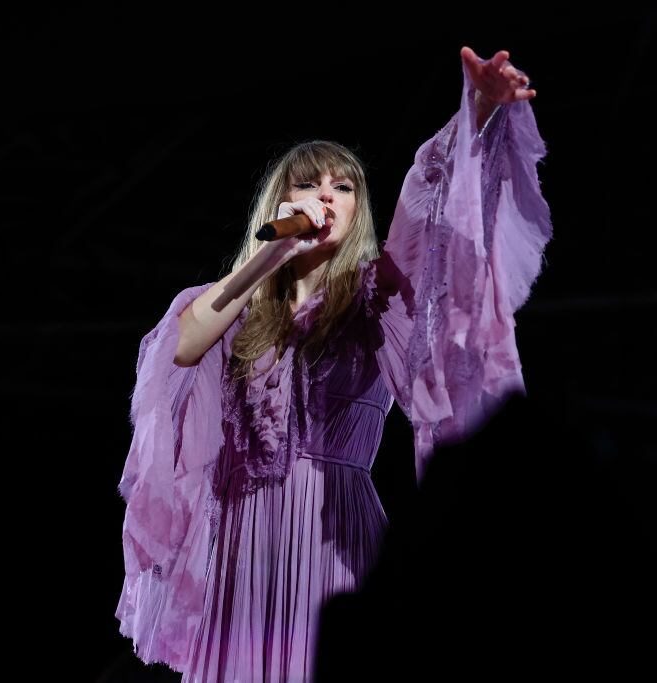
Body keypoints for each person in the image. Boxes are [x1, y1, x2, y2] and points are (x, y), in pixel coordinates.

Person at [115, 45, 551, 682]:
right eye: (309, 184)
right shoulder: (233, 306)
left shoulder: (375, 295)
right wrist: (268, 256)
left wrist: (476, 109)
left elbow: (425, 206)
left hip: (331, 532)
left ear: (356, 212)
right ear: (279, 203)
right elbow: (182, 347)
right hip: (243, 547)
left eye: (343, 187)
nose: (326, 196)